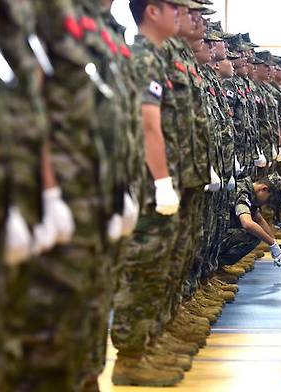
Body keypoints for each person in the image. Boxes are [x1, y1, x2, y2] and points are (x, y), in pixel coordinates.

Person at [110, 0, 187, 386]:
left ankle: (147, 346)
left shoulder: (156, 56)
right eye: (174, 7)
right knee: (142, 267)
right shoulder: (143, 57)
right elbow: (148, 125)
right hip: (147, 184)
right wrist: (161, 182)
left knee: (159, 266)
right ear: (152, 11)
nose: (181, 15)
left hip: (161, 181)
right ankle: (129, 359)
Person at [218, 173, 281, 268]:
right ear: (264, 189)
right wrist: (272, 244)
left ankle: (216, 266)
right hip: (210, 237)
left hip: (216, 232)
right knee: (253, 235)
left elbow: (258, 219)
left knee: (258, 231)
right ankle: (215, 267)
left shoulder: (250, 191)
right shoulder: (243, 193)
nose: (266, 203)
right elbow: (247, 224)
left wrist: (274, 244)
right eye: (269, 199)